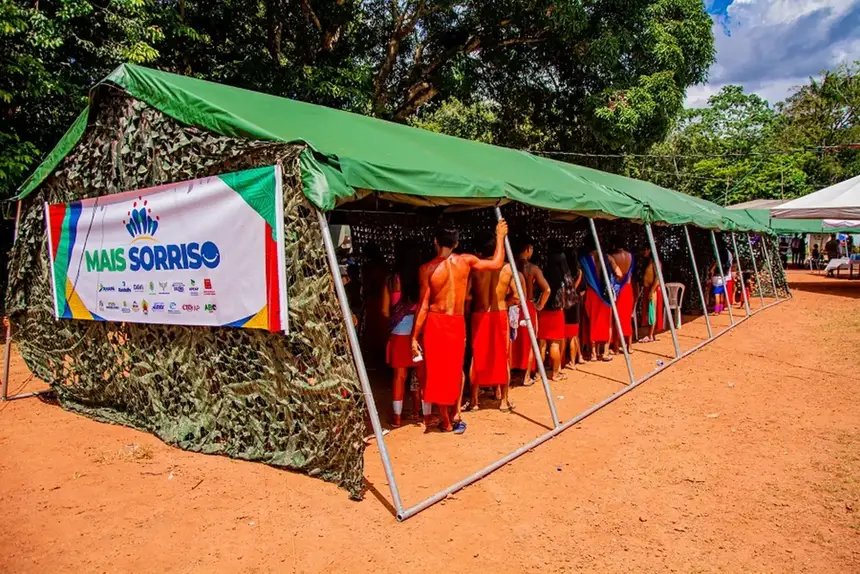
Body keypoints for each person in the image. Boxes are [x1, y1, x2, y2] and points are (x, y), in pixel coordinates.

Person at [411, 219, 508, 433]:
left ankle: (446, 420)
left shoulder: (427, 269)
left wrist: (414, 336)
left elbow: (423, 305)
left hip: (436, 321)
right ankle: (455, 413)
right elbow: (497, 263)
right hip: (456, 321)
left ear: (435, 241)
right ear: (455, 243)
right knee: (456, 369)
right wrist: (500, 236)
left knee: (438, 371)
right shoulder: (466, 261)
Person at [468, 233, 517, 412]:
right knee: (503, 356)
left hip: (480, 314)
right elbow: (517, 297)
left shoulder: (475, 269)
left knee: (477, 356)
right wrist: (503, 301)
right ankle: (504, 400)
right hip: (500, 313)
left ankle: (474, 401)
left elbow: (467, 296)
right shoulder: (508, 268)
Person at [382, 241, 422, 427]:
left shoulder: (392, 279)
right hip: (419, 332)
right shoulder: (422, 277)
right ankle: (419, 413)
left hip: (399, 333)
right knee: (420, 374)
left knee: (399, 376)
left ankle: (397, 417)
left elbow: (385, 311)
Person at [509, 239, 550, 385]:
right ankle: (526, 376)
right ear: (527, 249)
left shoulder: (510, 267)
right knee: (530, 342)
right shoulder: (533, 269)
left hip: (512, 306)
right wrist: (539, 305)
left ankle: (510, 375)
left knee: (513, 341)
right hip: (527, 306)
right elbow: (547, 289)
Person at [538, 241, 572, 380]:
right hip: (556, 310)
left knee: (542, 343)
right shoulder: (561, 272)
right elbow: (565, 290)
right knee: (555, 343)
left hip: (543, 309)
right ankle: (555, 373)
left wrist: (540, 304)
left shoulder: (543, 268)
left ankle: (538, 373)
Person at [579, 239, 613, 360]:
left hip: (591, 293)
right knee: (607, 323)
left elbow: (580, 275)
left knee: (593, 322)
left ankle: (594, 353)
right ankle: (605, 352)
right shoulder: (606, 258)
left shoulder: (584, 260)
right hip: (604, 294)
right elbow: (618, 273)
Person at [361, 244, 390, 365]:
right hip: (382, 299)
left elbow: (366, 285)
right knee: (382, 327)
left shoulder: (368, 268)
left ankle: (374, 355)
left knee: (374, 327)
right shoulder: (385, 266)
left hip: (374, 299)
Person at [607, 241, 635, 354]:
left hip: (619, 289)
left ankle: (616, 346)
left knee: (617, 318)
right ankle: (629, 346)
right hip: (628, 288)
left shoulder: (613, 257)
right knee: (627, 318)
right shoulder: (630, 256)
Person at [638, 245, 664, 342]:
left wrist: (652, 291)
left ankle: (650, 335)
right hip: (648, 288)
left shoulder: (656, 262)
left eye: (646, 249)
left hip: (653, 289)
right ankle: (652, 334)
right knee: (650, 311)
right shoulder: (650, 262)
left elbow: (658, 278)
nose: (644, 251)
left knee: (652, 311)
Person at [564, 248, 583, 368]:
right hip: (575, 303)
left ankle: (561, 361)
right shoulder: (579, 272)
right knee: (573, 334)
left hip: (565, 303)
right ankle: (572, 361)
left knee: (563, 335)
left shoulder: (564, 273)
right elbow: (583, 290)